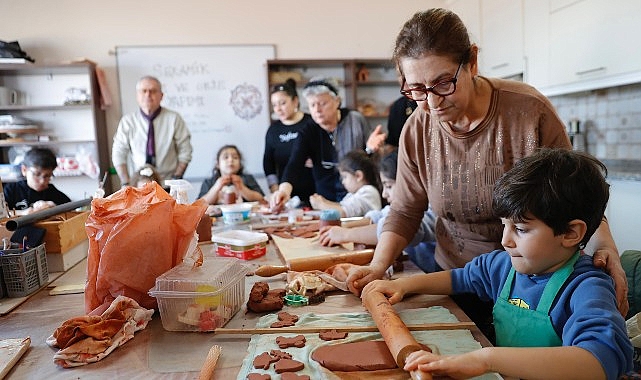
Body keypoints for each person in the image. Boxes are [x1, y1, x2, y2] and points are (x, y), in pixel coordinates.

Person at [345, 8, 628, 319]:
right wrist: (377, 266)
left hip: (532, 284)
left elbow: (577, 198)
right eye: (417, 90)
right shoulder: (417, 128)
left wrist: (606, 248)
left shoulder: (528, 113)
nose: (432, 102)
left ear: (472, 62)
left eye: (442, 83)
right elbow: (404, 210)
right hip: (455, 278)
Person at [362, 148, 634, 380]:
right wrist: (403, 285)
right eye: (504, 225)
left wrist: (487, 359)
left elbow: (599, 361)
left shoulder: (586, 287)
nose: (505, 240)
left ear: (571, 233)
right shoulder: (504, 267)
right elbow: (461, 278)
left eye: (521, 229)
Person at [269, 77, 387, 210]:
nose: (317, 110)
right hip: (326, 200)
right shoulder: (308, 130)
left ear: (337, 101)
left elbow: (370, 159)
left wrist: (370, 150)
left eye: (322, 103)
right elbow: (294, 164)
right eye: (312, 105)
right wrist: (283, 191)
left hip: (359, 199)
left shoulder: (355, 120)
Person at [318, 149, 437, 272]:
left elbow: (397, 227)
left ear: (412, 184)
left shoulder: (431, 209)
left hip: (431, 275)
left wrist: (345, 234)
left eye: (389, 186)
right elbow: (380, 216)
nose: (384, 194)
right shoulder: (404, 206)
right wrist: (342, 228)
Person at [111, 75, 192, 186]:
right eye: (143, 91)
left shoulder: (174, 119)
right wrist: (126, 183)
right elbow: (118, 152)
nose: (148, 95)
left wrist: (176, 178)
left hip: (167, 184)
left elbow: (185, 150)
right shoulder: (128, 122)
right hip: (138, 186)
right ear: (137, 95)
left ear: (161, 96)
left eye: (153, 91)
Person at [263, 79, 316, 206]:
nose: (278, 109)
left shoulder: (311, 123)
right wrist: (276, 189)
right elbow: (268, 163)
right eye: (274, 105)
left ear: (295, 101)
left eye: (282, 103)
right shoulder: (273, 130)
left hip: (315, 191)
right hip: (286, 193)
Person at [309, 150, 382, 218]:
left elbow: (344, 213)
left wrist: (321, 204)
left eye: (345, 177)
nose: (343, 182)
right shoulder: (353, 194)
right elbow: (341, 207)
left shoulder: (369, 192)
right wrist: (324, 201)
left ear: (358, 176)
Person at [3, 147, 71, 215]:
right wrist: (22, 213)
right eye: (37, 174)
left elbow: (71, 210)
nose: (42, 181)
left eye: (47, 176)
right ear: (24, 170)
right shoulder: (11, 190)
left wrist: (55, 208)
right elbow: (2, 214)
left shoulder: (54, 193)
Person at [199, 145, 264, 214]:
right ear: (218, 164)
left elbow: (260, 198)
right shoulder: (209, 182)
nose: (230, 160)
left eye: (235, 157)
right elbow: (200, 204)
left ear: (240, 164)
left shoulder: (247, 178)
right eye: (226, 157)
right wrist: (216, 187)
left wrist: (242, 188)